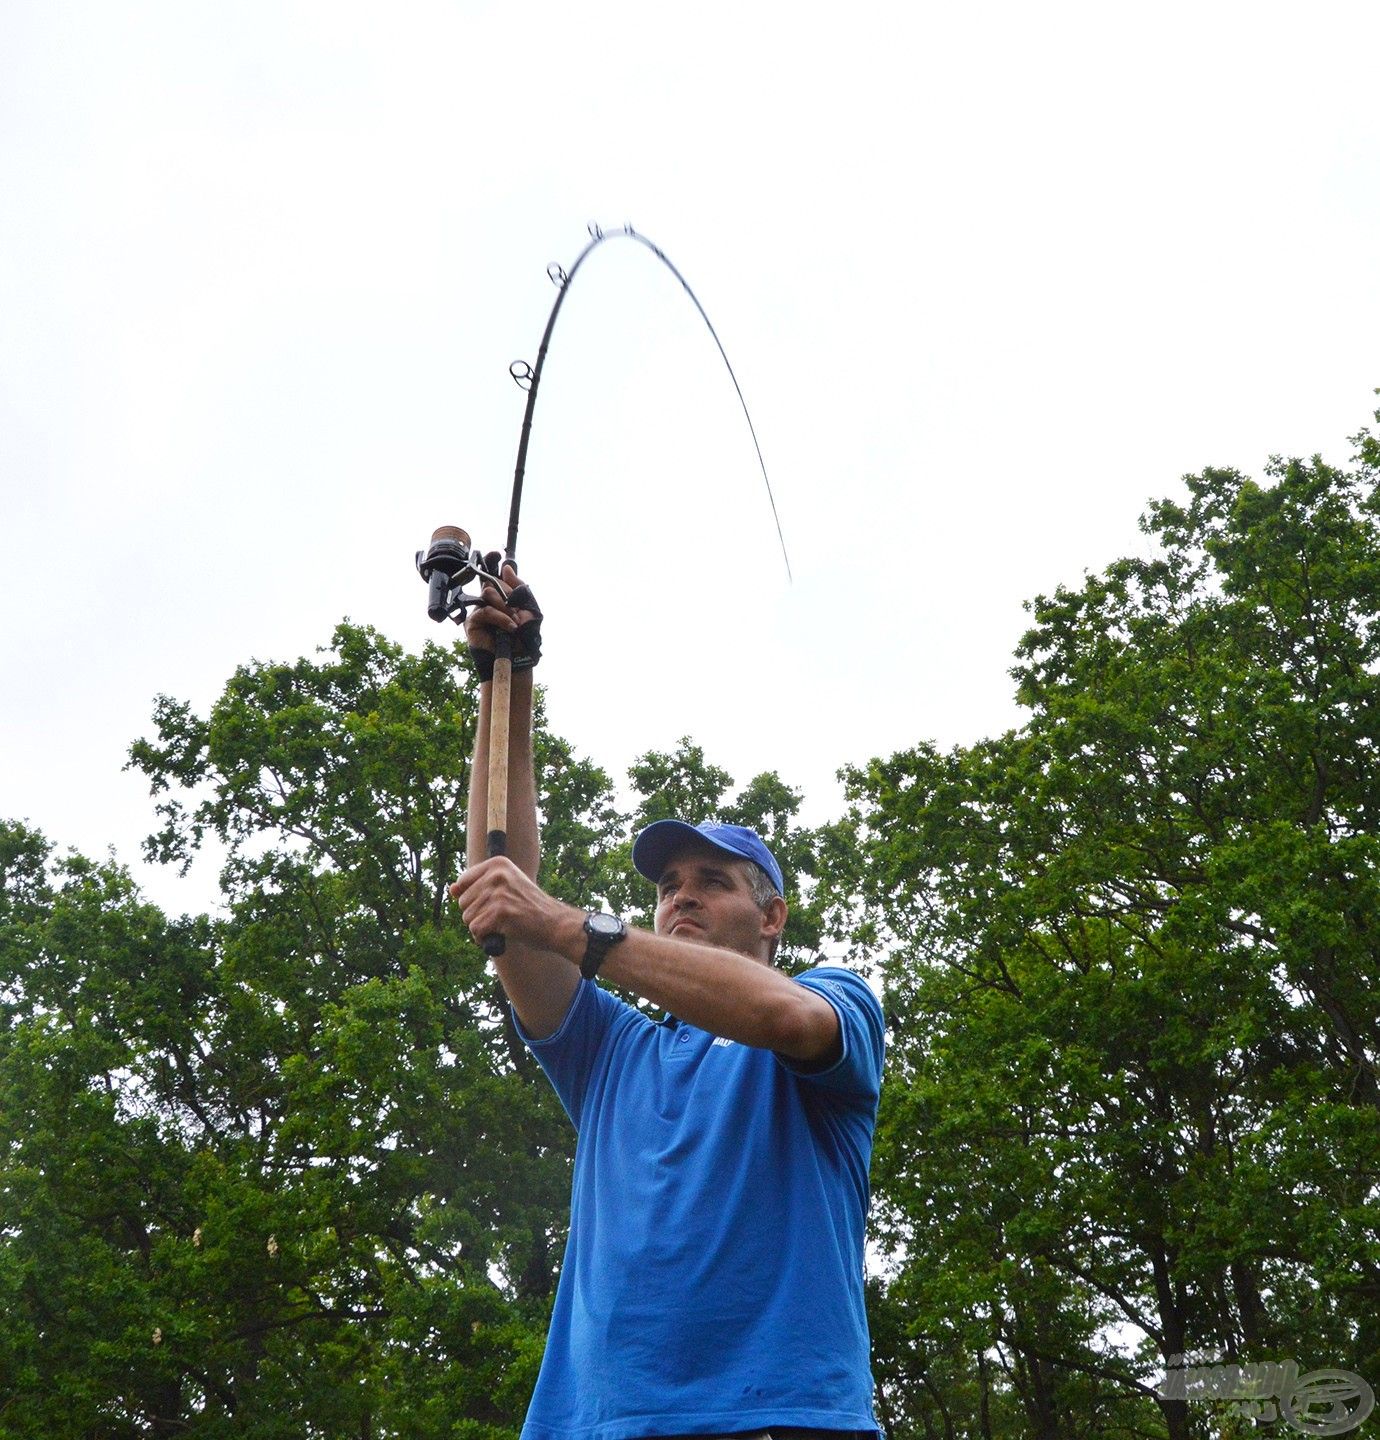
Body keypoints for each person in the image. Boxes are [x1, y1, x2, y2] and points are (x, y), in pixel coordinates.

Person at [449, 564, 885, 1440]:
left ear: (772, 917)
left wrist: (576, 927)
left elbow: (785, 1019)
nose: (680, 897)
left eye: (710, 882)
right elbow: (507, 898)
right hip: (595, 1425)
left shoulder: (837, 998)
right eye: (668, 886)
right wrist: (511, 676)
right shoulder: (613, 1051)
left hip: (779, 1421)